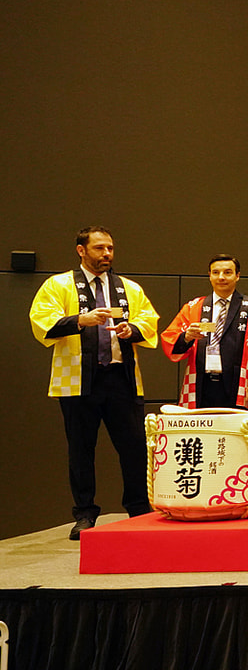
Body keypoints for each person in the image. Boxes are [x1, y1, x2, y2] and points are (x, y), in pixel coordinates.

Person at [29, 226, 160, 539]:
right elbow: (41, 320)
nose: (107, 254)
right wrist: (80, 320)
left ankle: (139, 509)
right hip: (77, 379)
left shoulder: (128, 287)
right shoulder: (58, 284)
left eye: (110, 248)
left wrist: (131, 330)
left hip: (121, 377)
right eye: (99, 248)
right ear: (81, 250)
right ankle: (85, 513)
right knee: (81, 449)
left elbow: (148, 320)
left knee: (133, 447)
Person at [161, 255, 248, 409]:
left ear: (237, 276)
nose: (221, 277)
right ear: (209, 276)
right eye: (216, 272)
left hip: (238, 382)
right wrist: (186, 337)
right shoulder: (194, 306)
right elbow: (170, 337)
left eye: (227, 272)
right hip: (202, 382)